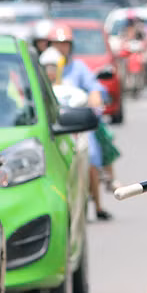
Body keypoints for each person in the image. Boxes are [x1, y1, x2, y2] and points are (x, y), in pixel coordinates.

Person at [48, 23, 115, 220]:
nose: (60, 48)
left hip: (76, 124)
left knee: (91, 155)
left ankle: (98, 205)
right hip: (52, 126)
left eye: (64, 44)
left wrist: (95, 96)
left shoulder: (78, 68)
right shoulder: (42, 67)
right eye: (56, 44)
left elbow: (94, 87)